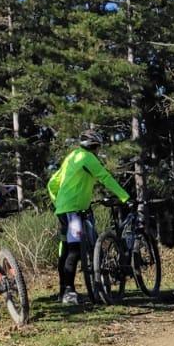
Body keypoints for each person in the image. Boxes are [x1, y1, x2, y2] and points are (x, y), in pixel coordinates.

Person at [47, 127, 130, 306]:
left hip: (65, 211)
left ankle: (63, 291)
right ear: (95, 146)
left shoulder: (72, 156)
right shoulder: (88, 158)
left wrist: (58, 202)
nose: (98, 151)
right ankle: (69, 292)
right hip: (74, 212)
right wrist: (125, 197)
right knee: (75, 250)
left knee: (66, 249)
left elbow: (52, 183)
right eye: (98, 147)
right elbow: (105, 178)